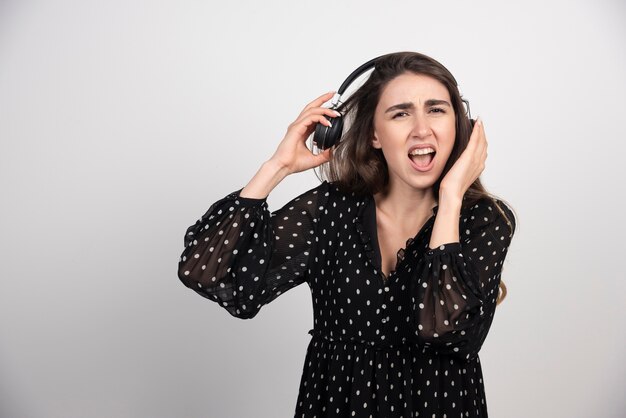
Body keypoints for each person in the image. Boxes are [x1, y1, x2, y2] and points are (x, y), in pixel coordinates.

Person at [177, 51, 517, 417]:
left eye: (436, 110)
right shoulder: (329, 210)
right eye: (401, 113)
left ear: (459, 125)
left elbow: (441, 329)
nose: (422, 129)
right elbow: (207, 272)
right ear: (374, 134)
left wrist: (451, 199)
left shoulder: (484, 220)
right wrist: (277, 167)